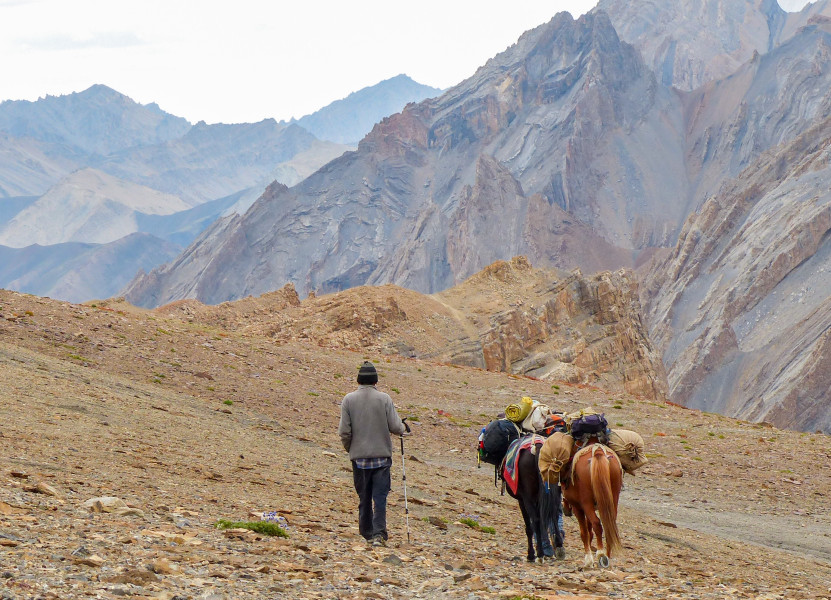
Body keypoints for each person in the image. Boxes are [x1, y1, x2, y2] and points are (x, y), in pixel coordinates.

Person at [338, 361, 408, 546]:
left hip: (359, 458)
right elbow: (395, 427)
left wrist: (350, 448)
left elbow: (344, 431)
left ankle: (366, 532)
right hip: (382, 458)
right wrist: (404, 427)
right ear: (375, 380)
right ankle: (379, 534)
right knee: (380, 497)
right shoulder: (384, 399)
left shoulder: (348, 400)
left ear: (359, 380)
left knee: (364, 496)